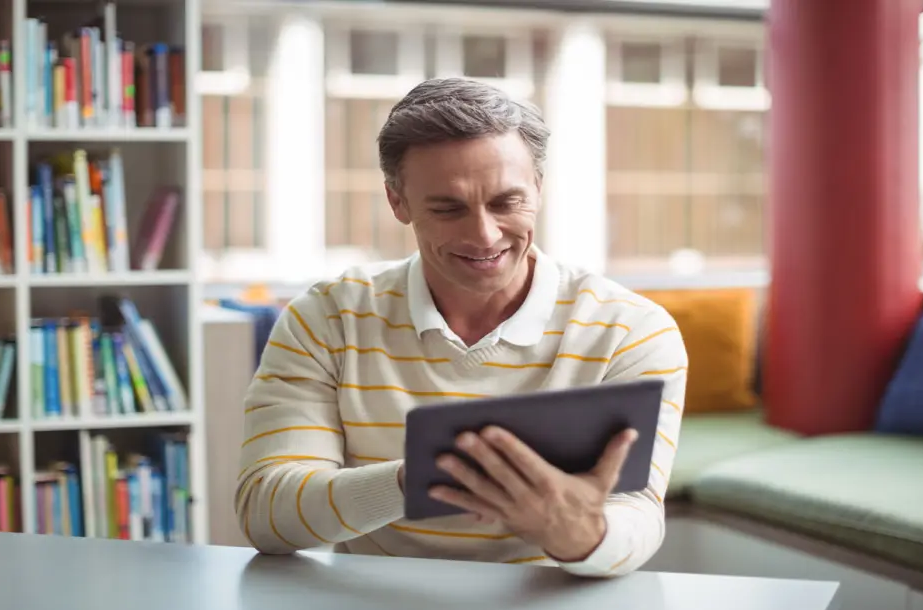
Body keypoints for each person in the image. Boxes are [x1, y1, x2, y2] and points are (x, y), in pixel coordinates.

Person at [235, 77, 687, 578]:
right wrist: (421, 479)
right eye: (448, 208)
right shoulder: (326, 319)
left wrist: (582, 533)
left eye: (506, 202)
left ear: (538, 188)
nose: (484, 235)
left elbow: (639, 515)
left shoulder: (630, 330)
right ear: (397, 202)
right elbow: (266, 514)